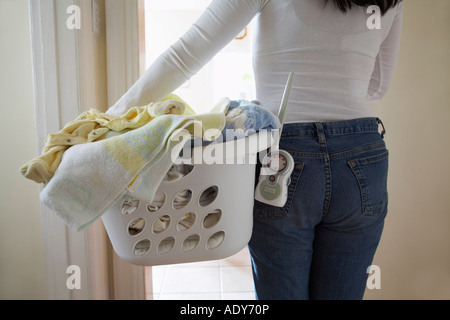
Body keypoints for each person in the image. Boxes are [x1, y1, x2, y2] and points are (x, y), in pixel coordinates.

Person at [107, 0, 404, 300]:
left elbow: (185, 55)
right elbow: (378, 85)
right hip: (362, 157)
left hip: (285, 157)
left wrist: (109, 121)